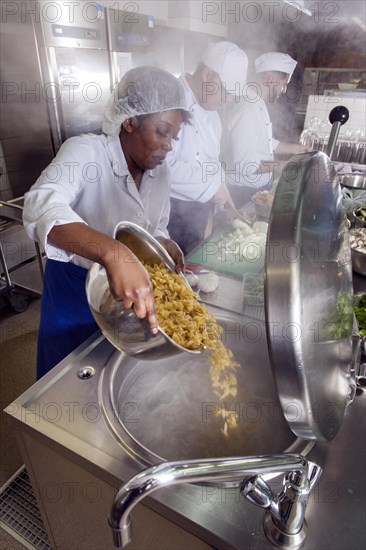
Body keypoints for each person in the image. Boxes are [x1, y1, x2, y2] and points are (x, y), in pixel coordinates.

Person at [23, 66, 190, 379]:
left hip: (130, 302)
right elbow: (39, 205)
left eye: (174, 137)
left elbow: (154, 226)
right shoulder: (87, 152)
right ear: (130, 121)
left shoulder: (160, 173)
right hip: (74, 294)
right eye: (162, 132)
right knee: (65, 386)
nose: (169, 145)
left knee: (116, 378)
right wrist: (114, 254)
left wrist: (162, 242)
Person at [166, 41, 249, 255]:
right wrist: (212, 187)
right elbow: (161, 166)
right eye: (226, 91)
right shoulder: (169, 100)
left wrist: (227, 206)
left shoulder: (212, 116)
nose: (228, 100)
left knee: (190, 268)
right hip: (165, 215)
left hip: (197, 213)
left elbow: (212, 162)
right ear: (207, 74)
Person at [221, 52, 310, 209]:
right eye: (283, 84)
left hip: (253, 188)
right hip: (241, 192)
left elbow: (262, 141)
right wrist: (280, 165)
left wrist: (294, 149)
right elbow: (244, 164)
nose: (283, 90)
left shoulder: (257, 104)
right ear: (269, 80)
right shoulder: (247, 110)